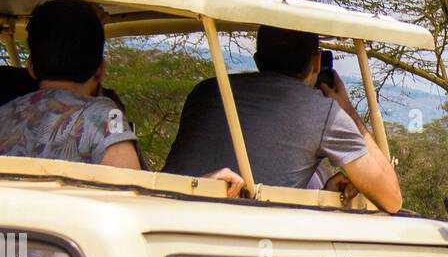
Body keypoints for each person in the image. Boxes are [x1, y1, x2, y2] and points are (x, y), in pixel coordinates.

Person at [0, 0, 243, 196]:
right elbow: (133, 197)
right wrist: (203, 186)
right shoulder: (104, 117)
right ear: (101, 69)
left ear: (31, 67)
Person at [165, 26, 402, 213]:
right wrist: (348, 112)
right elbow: (391, 199)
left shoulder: (207, 91)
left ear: (258, 61)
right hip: (243, 238)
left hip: (168, 214)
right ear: (317, 63)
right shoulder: (324, 112)